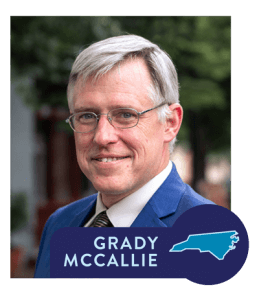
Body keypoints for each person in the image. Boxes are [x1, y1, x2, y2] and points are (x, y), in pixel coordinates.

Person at [34, 34, 215, 278]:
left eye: (126, 115)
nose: (102, 136)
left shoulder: (211, 237)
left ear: (170, 123)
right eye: (87, 115)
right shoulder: (60, 224)